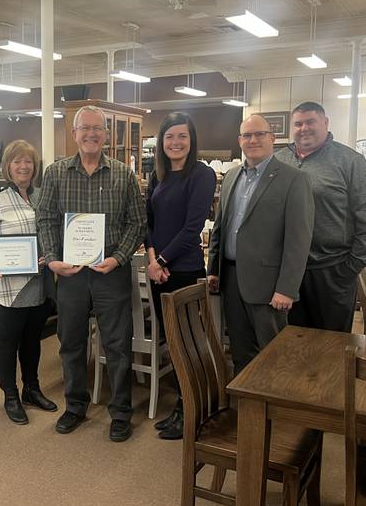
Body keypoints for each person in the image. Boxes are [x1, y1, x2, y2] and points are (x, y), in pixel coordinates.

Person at [36, 105, 146, 442]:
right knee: (70, 343)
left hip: (109, 272)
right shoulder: (55, 173)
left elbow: (137, 223)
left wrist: (118, 258)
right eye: (85, 128)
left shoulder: (123, 175)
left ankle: (121, 413)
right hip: (70, 274)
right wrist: (53, 260)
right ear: (74, 134)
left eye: (98, 129)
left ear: (107, 136)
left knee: (117, 345)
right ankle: (75, 406)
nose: (91, 134)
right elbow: (46, 220)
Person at [207, 115, 314, 374]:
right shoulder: (231, 177)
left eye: (259, 134)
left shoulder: (293, 180)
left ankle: (274, 413)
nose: (253, 140)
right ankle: (248, 413)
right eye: (247, 135)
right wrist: (214, 269)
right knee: (241, 353)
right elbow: (220, 227)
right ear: (240, 141)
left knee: (274, 355)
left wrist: (287, 289)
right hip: (232, 281)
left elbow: (298, 241)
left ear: (272, 138)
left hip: (269, 287)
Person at [276, 101, 366, 332]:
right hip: (287, 273)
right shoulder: (279, 160)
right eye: (298, 124)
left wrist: (349, 269)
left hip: (333, 271)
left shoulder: (350, 161)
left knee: (331, 346)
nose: (304, 128)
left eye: (310, 121)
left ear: (325, 123)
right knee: (289, 345)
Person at [0, 140, 57, 425]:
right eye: (17, 161)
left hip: (39, 282)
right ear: (7, 166)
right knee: (7, 343)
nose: (23, 166)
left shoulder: (43, 195)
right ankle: (10, 395)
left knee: (33, 341)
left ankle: (31, 388)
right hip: (8, 286)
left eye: (28, 162)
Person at [145, 112, 216, 440]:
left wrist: (161, 259)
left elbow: (193, 229)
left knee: (189, 341)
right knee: (171, 341)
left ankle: (191, 406)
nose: (175, 142)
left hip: (184, 269)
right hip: (158, 271)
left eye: (182, 137)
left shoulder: (201, 175)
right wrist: (151, 259)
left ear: (191, 141)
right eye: (170, 136)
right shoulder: (157, 175)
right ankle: (184, 402)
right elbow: (149, 223)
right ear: (161, 141)